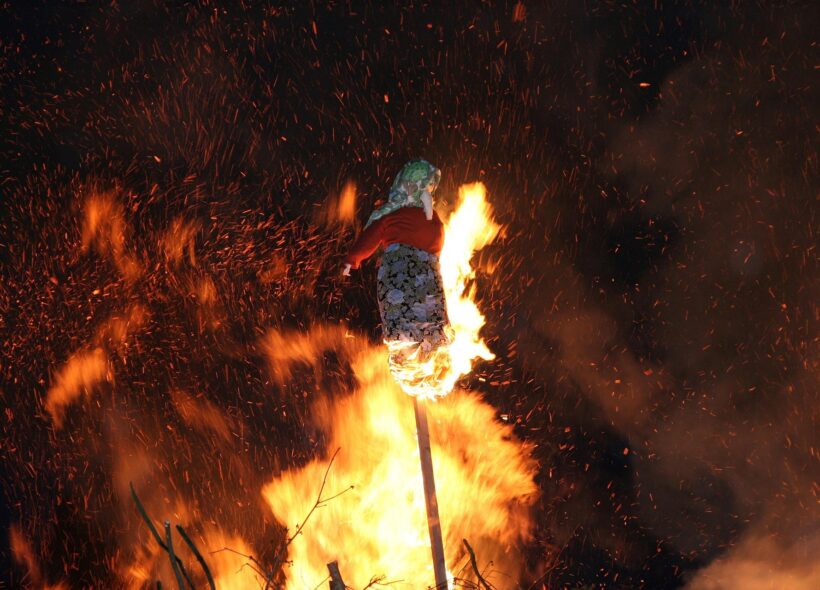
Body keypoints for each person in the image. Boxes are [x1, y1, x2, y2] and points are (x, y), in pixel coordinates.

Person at [343, 159, 452, 372]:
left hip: (409, 274)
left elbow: (369, 239)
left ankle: (414, 351)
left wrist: (352, 260)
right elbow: (436, 244)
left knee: (411, 311)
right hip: (417, 275)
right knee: (421, 309)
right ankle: (423, 349)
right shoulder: (421, 219)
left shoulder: (398, 216)